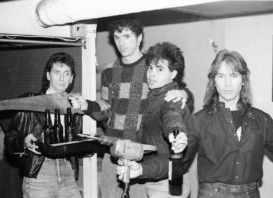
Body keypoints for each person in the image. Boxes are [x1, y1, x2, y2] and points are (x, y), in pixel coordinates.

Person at [69, 18, 193, 198]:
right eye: (117, 37)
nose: (121, 42)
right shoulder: (109, 71)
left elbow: (173, 100)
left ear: (139, 37)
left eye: (127, 36)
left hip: (141, 154)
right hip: (114, 150)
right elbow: (106, 109)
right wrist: (87, 105)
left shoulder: (152, 67)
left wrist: (185, 95)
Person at [183, 49, 273, 198]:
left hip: (250, 194)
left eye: (234, 75)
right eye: (221, 76)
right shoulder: (198, 120)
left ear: (243, 80)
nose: (227, 83)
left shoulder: (262, 120)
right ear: (214, 81)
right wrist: (176, 150)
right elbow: (179, 163)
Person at [116, 42, 192, 198]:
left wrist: (176, 133)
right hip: (156, 177)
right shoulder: (154, 97)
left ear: (173, 74)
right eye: (150, 68)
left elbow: (172, 116)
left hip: (167, 184)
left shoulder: (171, 98)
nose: (152, 74)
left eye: (159, 69)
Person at [5, 52, 82, 198]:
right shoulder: (30, 101)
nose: (61, 78)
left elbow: (76, 141)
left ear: (71, 78)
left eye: (66, 73)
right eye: (56, 72)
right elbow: (10, 139)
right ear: (48, 75)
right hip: (39, 171)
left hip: (67, 171)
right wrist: (23, 142)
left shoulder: (74, 105)